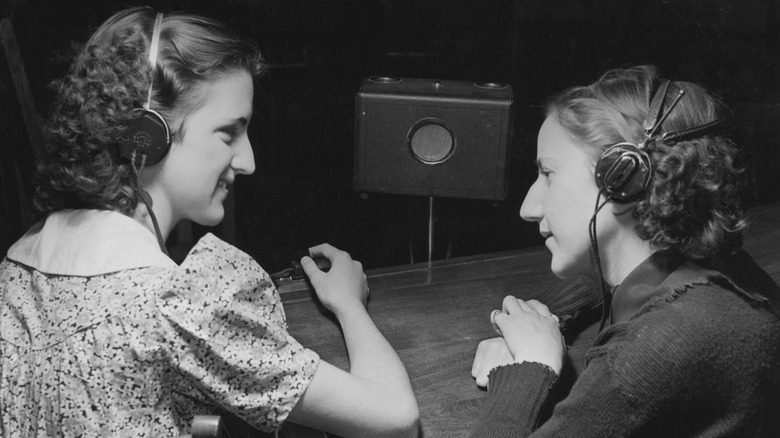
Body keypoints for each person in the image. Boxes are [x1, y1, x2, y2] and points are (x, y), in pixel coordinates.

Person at [0, 7, 419, 438]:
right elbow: (397, 418)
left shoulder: (16, 271)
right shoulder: (173, 305)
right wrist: (348, 304)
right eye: (228, 132)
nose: (248, 161)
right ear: (148, 134)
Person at [469, 65, 780, 437]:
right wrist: (546, 316)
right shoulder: (718, 271)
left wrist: (531, 365)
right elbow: (619, 283)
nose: (528, 207)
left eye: (548, 174)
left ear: (622, 178)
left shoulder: (645, 356)